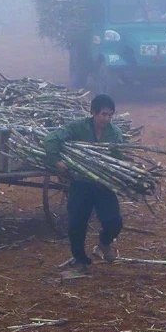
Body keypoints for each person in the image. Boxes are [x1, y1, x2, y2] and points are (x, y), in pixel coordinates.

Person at [44, 94, 125, 278]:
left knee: (114, 221)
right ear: (93, 113)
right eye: (103, 114)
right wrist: (56, 161)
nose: (106, 119)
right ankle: (80, 260)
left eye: (110, 115)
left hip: (103, 184)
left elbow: (120, 158)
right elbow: (51, 139)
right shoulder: (77, 127)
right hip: (81, 183)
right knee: (76, 224)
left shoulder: (115, 133)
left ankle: (104, 243)